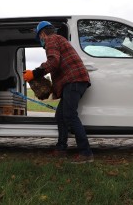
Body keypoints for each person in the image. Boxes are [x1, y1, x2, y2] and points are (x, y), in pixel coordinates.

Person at [23, 21, 93, 164]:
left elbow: (53, 62)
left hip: (74, 81)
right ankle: (61, 148)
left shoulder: (51, 39)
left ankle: (86, 153)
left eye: (40, 37)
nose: (41, 40)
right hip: (74, 81)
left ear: (42, 34)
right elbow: (58, 67)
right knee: (60, 116)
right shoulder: (59, 40)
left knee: (69, 115)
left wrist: (34, 73)